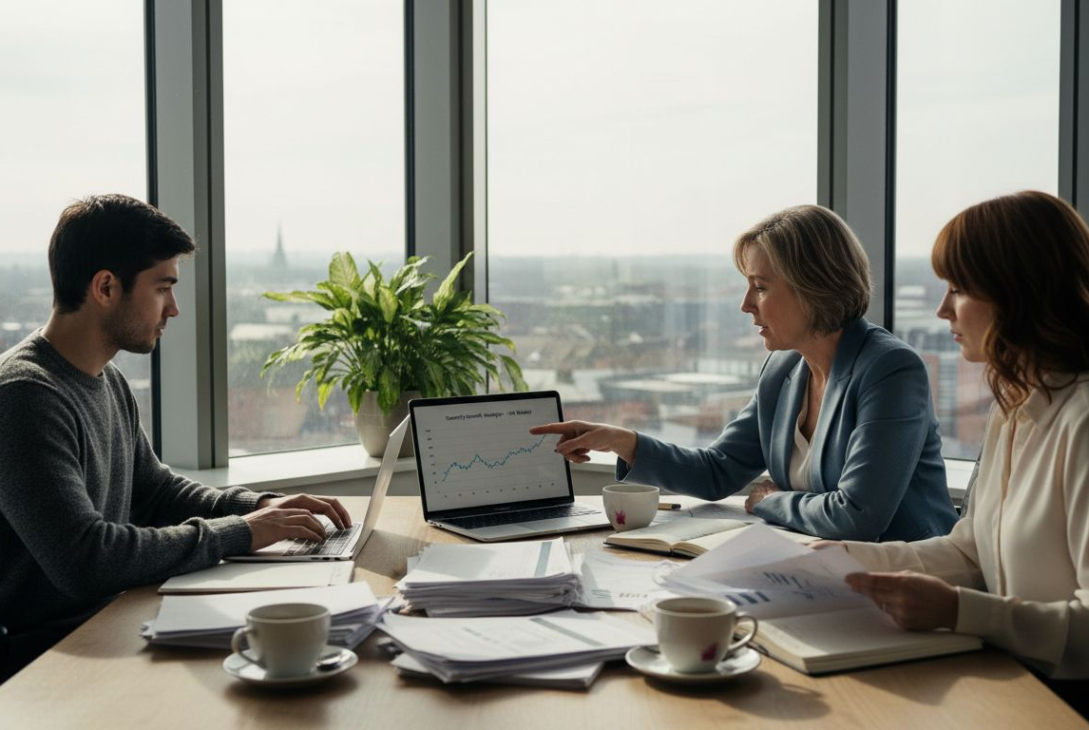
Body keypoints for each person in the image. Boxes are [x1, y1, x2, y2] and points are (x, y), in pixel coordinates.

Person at [0, 194, 351, 681]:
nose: (175, 309)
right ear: (105, 287)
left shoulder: (106, 380)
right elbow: (85, 560)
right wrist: (245, 532)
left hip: (114, 624)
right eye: (163, 288)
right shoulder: (24, 396)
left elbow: (156, 492)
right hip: (51, 661)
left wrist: (261, 506)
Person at [531, 205, 958, 541]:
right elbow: (718, 471)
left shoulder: (890, 370)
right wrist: (622, 441)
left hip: (903, 579)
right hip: (814, 562)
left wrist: (770, 502)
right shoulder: (784, 367)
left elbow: (857, 516)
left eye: (761, 286)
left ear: (815, 287)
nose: (746, 304)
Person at [838, 191, 1089, 712]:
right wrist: (838, 560)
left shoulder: (1082, 422)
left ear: (1016, 293)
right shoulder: (1015, 408)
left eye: (958, 288)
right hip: (1009, 686)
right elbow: (970, 554)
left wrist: (961, 611)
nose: (942, 308)